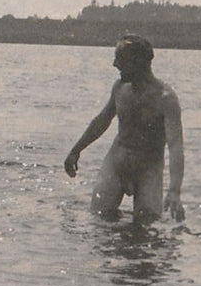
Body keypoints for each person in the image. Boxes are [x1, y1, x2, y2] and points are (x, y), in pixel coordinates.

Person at [64, 34, 185, 223]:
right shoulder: (120, 88)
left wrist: (174, 191)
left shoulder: (165, 99)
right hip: (117, 164)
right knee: (98, 221)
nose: (115, 64)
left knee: (147, 225)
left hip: (149, 169)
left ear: (138, 61)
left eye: (120, 59)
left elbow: (176, 146)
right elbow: (102, 121)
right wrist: (76, 150)